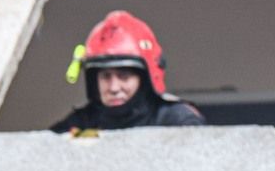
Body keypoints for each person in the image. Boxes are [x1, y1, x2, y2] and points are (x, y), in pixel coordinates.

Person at [48, 11, 204, 134]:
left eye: (124, 76)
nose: (114, 88)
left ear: (145, 79)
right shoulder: (80, 124)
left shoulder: (178, 122)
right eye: (105, 76)